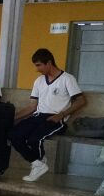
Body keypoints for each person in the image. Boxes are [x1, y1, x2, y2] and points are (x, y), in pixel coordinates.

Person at [10, 48, 87, 182]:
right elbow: (32, 107)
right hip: (38, 116)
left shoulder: (67, 79)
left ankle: (39, 160)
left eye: (39, 65)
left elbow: (81, 101)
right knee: (13, 134)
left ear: (49, 63)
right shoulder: (38, 81)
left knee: (34, 139)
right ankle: (37, 162)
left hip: (56, 119)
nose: (37, 69)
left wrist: (61, 115)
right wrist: (13, 118)